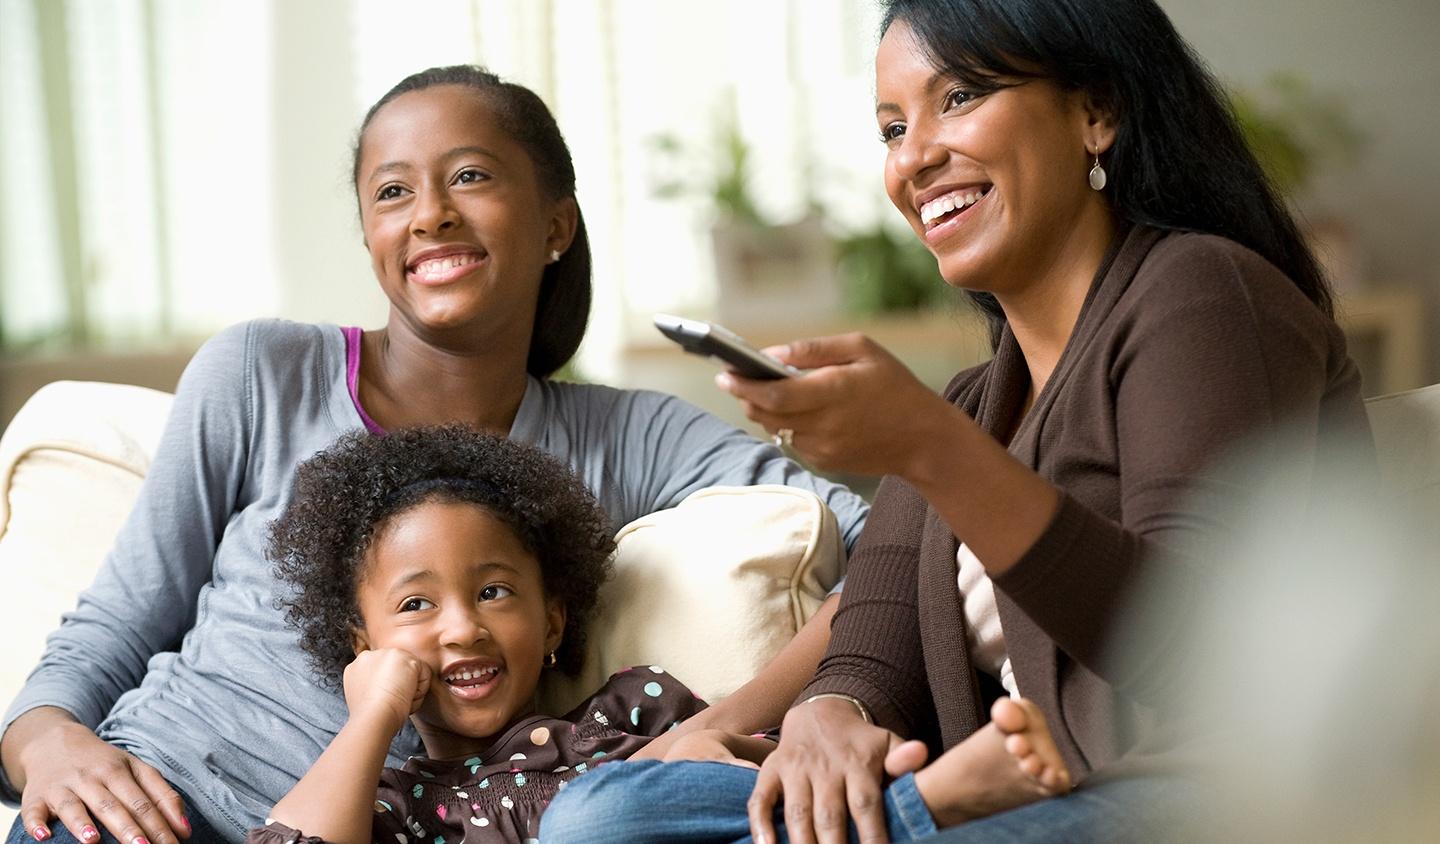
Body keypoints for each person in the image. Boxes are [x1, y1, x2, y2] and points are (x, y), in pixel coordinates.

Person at [539, 0, 1373, 841]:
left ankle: (929, 809)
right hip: (993, 796)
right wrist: (827, 714)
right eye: (892, 130)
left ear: (1097, 112)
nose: (917, 157)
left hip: (1201, 795)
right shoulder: (976, 400)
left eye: (963, 96)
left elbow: (1197, 651)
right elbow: (874, 638)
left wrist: (933, 451)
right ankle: (930, 807)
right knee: (599, 817)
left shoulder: (1200, 295)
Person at [0, 66, 868, 844]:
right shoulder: (262, 371)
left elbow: (890, 540)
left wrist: (741, 720)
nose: (430, 215)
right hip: (143, 802)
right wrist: (49, 744)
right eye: (391, 193)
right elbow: (114, 623)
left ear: (556, 223)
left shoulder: (626, 435)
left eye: (470, 177)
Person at [250, 424, 721, 844]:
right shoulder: (392, 813)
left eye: (493, 592)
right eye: (415, 604)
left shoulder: (632, 711)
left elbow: (770, 773)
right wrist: (372, 714)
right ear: (366, 650)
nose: (463, 629)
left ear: (552, 623)